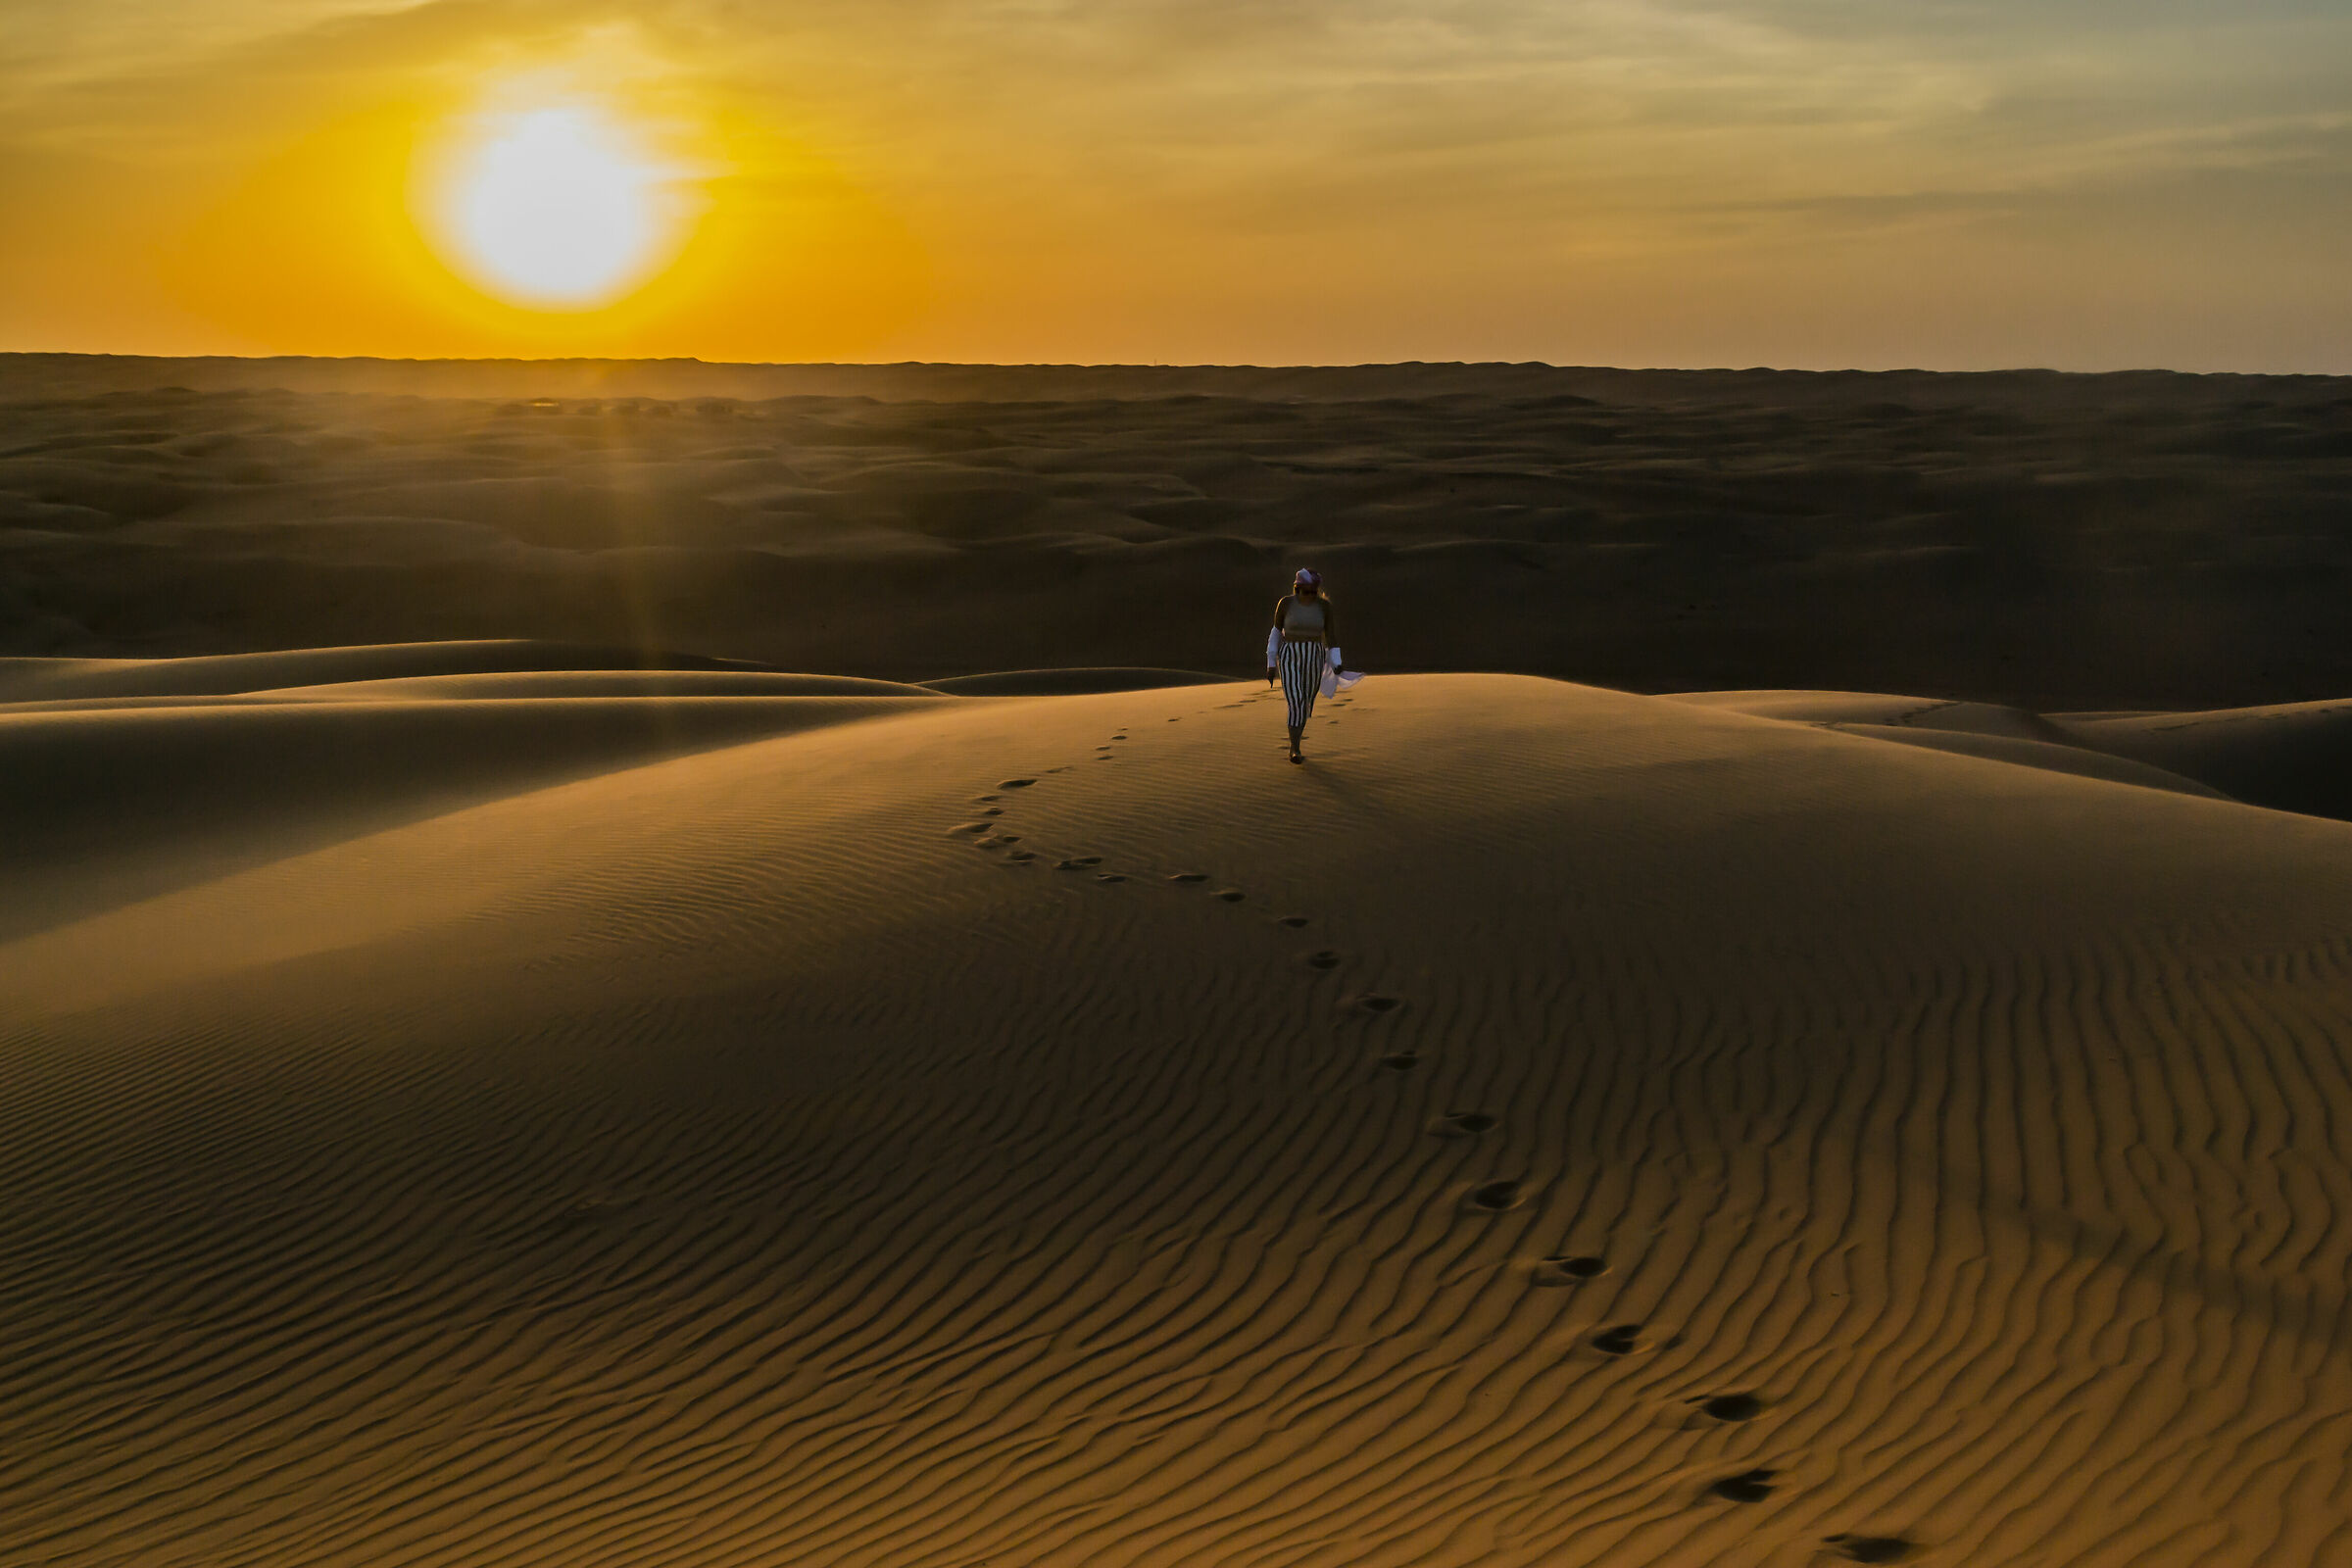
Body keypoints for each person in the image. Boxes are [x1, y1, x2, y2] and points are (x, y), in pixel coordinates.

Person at [1264, 567, 1342, 763]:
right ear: (1297, 589)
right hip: (1290, 654)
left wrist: (1337, 662)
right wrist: (1271, 663)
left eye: (1313, 592)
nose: (1310, 596)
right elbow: (1275, 632)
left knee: (1306, 702)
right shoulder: (1286, 604)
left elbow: (1331, 637)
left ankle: (1296, 741)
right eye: (1306, 592)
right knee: (1296, 700)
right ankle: (1294, 748)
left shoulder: (1324, 607)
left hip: (1314, 656)